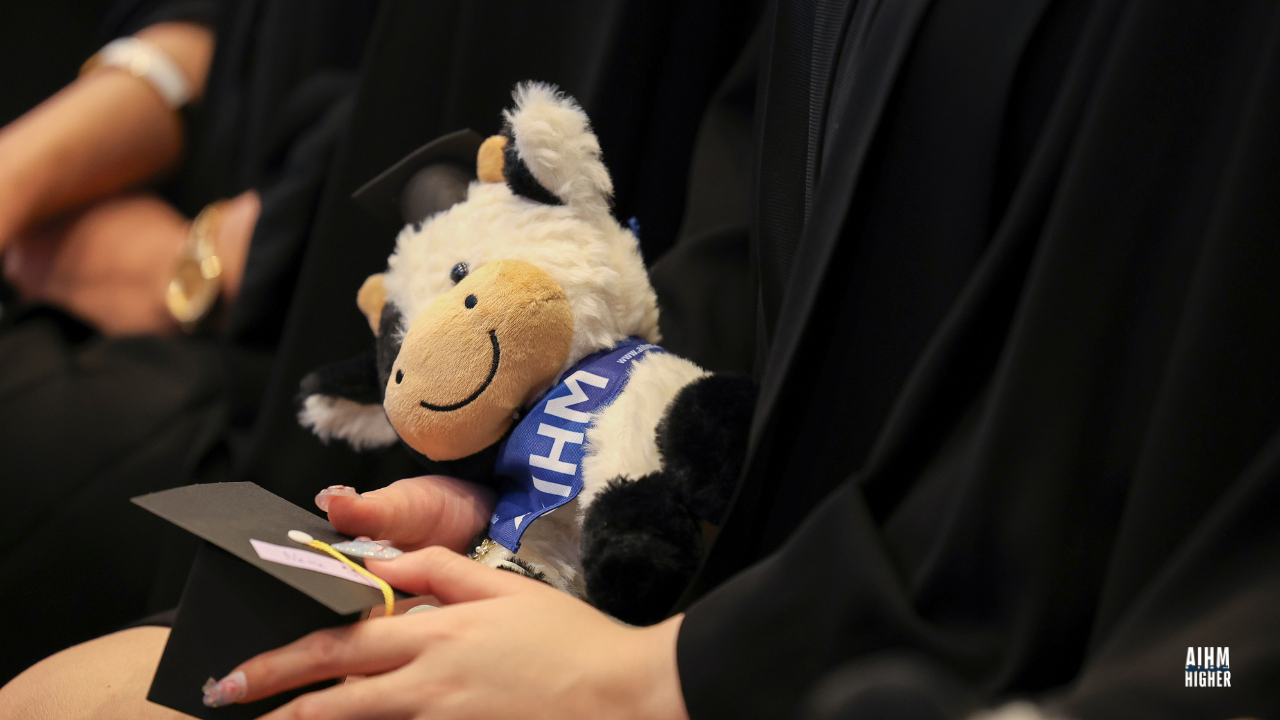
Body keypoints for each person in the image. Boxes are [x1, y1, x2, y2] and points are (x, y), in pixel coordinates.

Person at [6, 0, 1280, 718]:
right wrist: (575, 457)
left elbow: (1196, 639)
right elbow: (764, 259)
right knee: (78, 693)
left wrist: (661, 678)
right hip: (689, 555)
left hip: (872, 661)